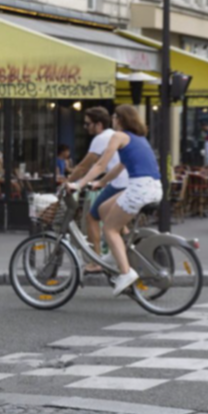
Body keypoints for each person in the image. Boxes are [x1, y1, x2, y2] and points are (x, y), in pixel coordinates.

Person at [68, 104, 163, 296]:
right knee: (103, 209)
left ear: (119, 119)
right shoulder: (138, 138)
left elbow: (101, 163)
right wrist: (101, 183)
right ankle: (115, 253)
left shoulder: (118, 136)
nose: (112, 120)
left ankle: (126, 273)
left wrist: (79, 184)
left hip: (139, 189)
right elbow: (119, 167)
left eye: (114, 117)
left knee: (109, 228)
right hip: (153, 187)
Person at [66, 107, 127, 274]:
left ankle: (96, 261)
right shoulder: (111, 135)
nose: (85, 128)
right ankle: (124, 254)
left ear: (98, 124)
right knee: (116, 222)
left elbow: (84, 166)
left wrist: (67, 182)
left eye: (87, 124)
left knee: (92, 217)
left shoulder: (101, 138)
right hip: (125, 182)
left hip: (118, 183)